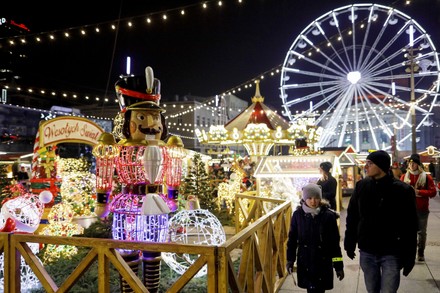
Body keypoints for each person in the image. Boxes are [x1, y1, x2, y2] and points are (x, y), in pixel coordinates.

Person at [344, 150, 418, 293]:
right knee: (372, 290)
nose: (366, 167)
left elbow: (410, 226)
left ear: (381, 165)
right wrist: (350, 242)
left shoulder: (403, 190)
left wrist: (410, 256)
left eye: (370, 163)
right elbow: (352, 217)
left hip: (391, 252)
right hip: (367, 250)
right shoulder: (362, 186)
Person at [286, 183, 344, 293]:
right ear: (304, 198)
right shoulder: (298, 215)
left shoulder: (328, 216)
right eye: (309, 198)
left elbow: (334, 244)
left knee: (319, 289)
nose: (313, 201)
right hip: (305, 261)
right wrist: (290, 259)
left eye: (316, 198)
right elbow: (292, 240)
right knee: (310, 289)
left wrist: (338, 266)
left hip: (323, 261)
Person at [400, 154, 437, 262]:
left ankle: (420, 252)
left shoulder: (426, 177)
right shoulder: (404, 176)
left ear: (418, 164)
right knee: (409, 232)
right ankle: (410, 253)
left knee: (421, 232)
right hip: (408, 209)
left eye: (414, 163)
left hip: (422, 209)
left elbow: (433, 192)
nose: (411, 165)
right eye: (410, 163)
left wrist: (419, 192)